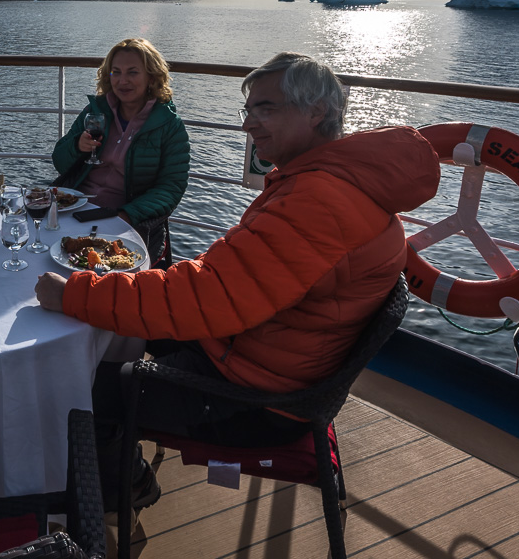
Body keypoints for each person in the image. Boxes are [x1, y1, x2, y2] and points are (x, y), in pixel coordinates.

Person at [35, 52, 441, 510]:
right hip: (254, 348)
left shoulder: (319, 201)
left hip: (253, 397)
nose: (249, 125)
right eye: (247, 110)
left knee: (75, 391)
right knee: (121, 327)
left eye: (266, 108)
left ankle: (123, 489)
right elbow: (226, 284)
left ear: (317, 112)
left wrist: (72, 293)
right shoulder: (330, 182)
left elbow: (207, 298)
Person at [51, 38, 189, 264]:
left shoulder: (169, 125)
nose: (122, 80)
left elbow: (172, 186)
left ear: (151, 77)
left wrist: (127, 215)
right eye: (116, 72)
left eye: (133, 73)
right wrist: (77, 146)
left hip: (125, 218)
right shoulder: (95, 111)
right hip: (75, 210)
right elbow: (59, 161)